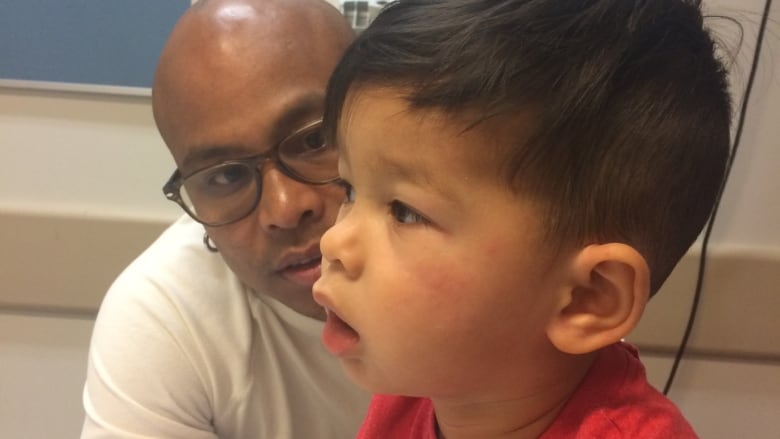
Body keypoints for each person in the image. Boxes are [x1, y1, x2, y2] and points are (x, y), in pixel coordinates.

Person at [313, 0, 731, 437]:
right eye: (350, 190)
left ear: (586, 298)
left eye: (405, 212)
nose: (333, 242)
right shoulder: (416, 390)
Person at [80, 0, 370, 437]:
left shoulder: (485, 243)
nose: (285, 208)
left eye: (314, 140)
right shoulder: (166, 318)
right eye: (227, 176)